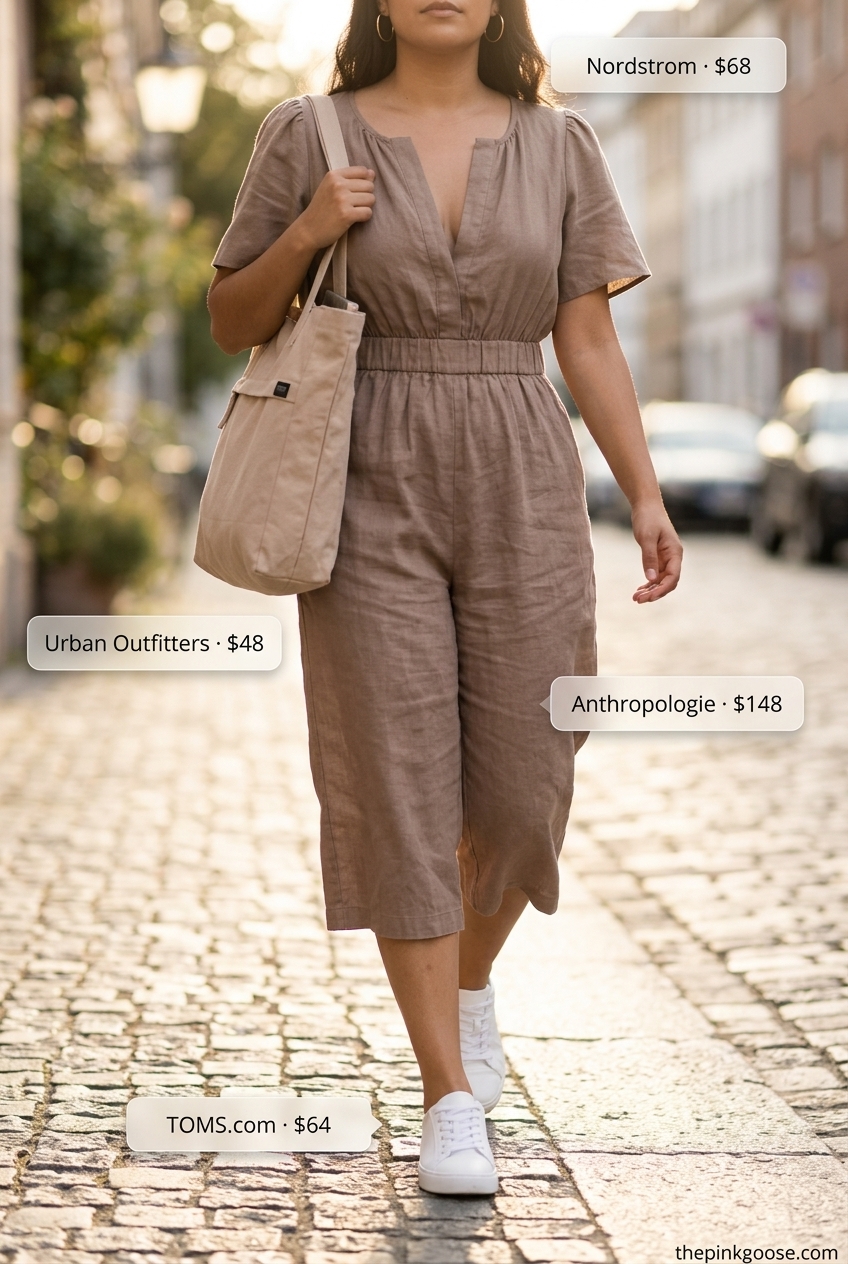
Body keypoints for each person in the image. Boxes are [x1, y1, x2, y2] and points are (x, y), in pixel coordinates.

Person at [208, 0, 683, 1197]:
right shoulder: (306, 132)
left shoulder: (558, 143)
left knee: (527, 784)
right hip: (361, 469)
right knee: (398, 781)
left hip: (521, 463)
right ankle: (446, 1096)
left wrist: (641, 492)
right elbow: (230, 317)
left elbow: (585, 338)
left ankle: (470, 982)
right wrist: (310, 227)